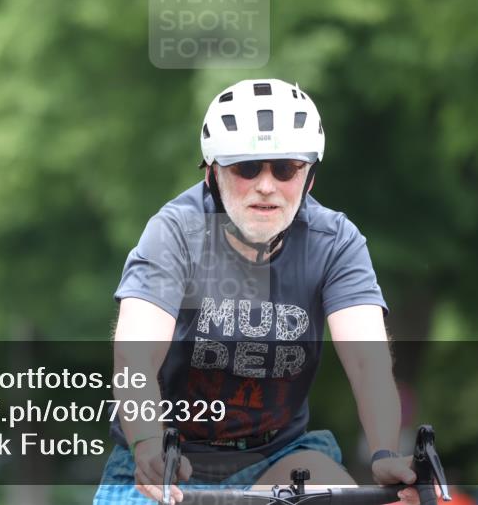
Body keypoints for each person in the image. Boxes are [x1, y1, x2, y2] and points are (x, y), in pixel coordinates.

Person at [94, 79, 418, 504]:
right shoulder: (174, 232)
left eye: (285, 169)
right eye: (247, 168)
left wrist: (384, 453)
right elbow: (134, 352)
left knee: (327, 492)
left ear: (310, 177)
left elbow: (366, 360)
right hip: (166, 455)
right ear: (212, 172)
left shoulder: (336, 241)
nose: (266, 185)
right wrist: (148, 445)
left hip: (276, 455)